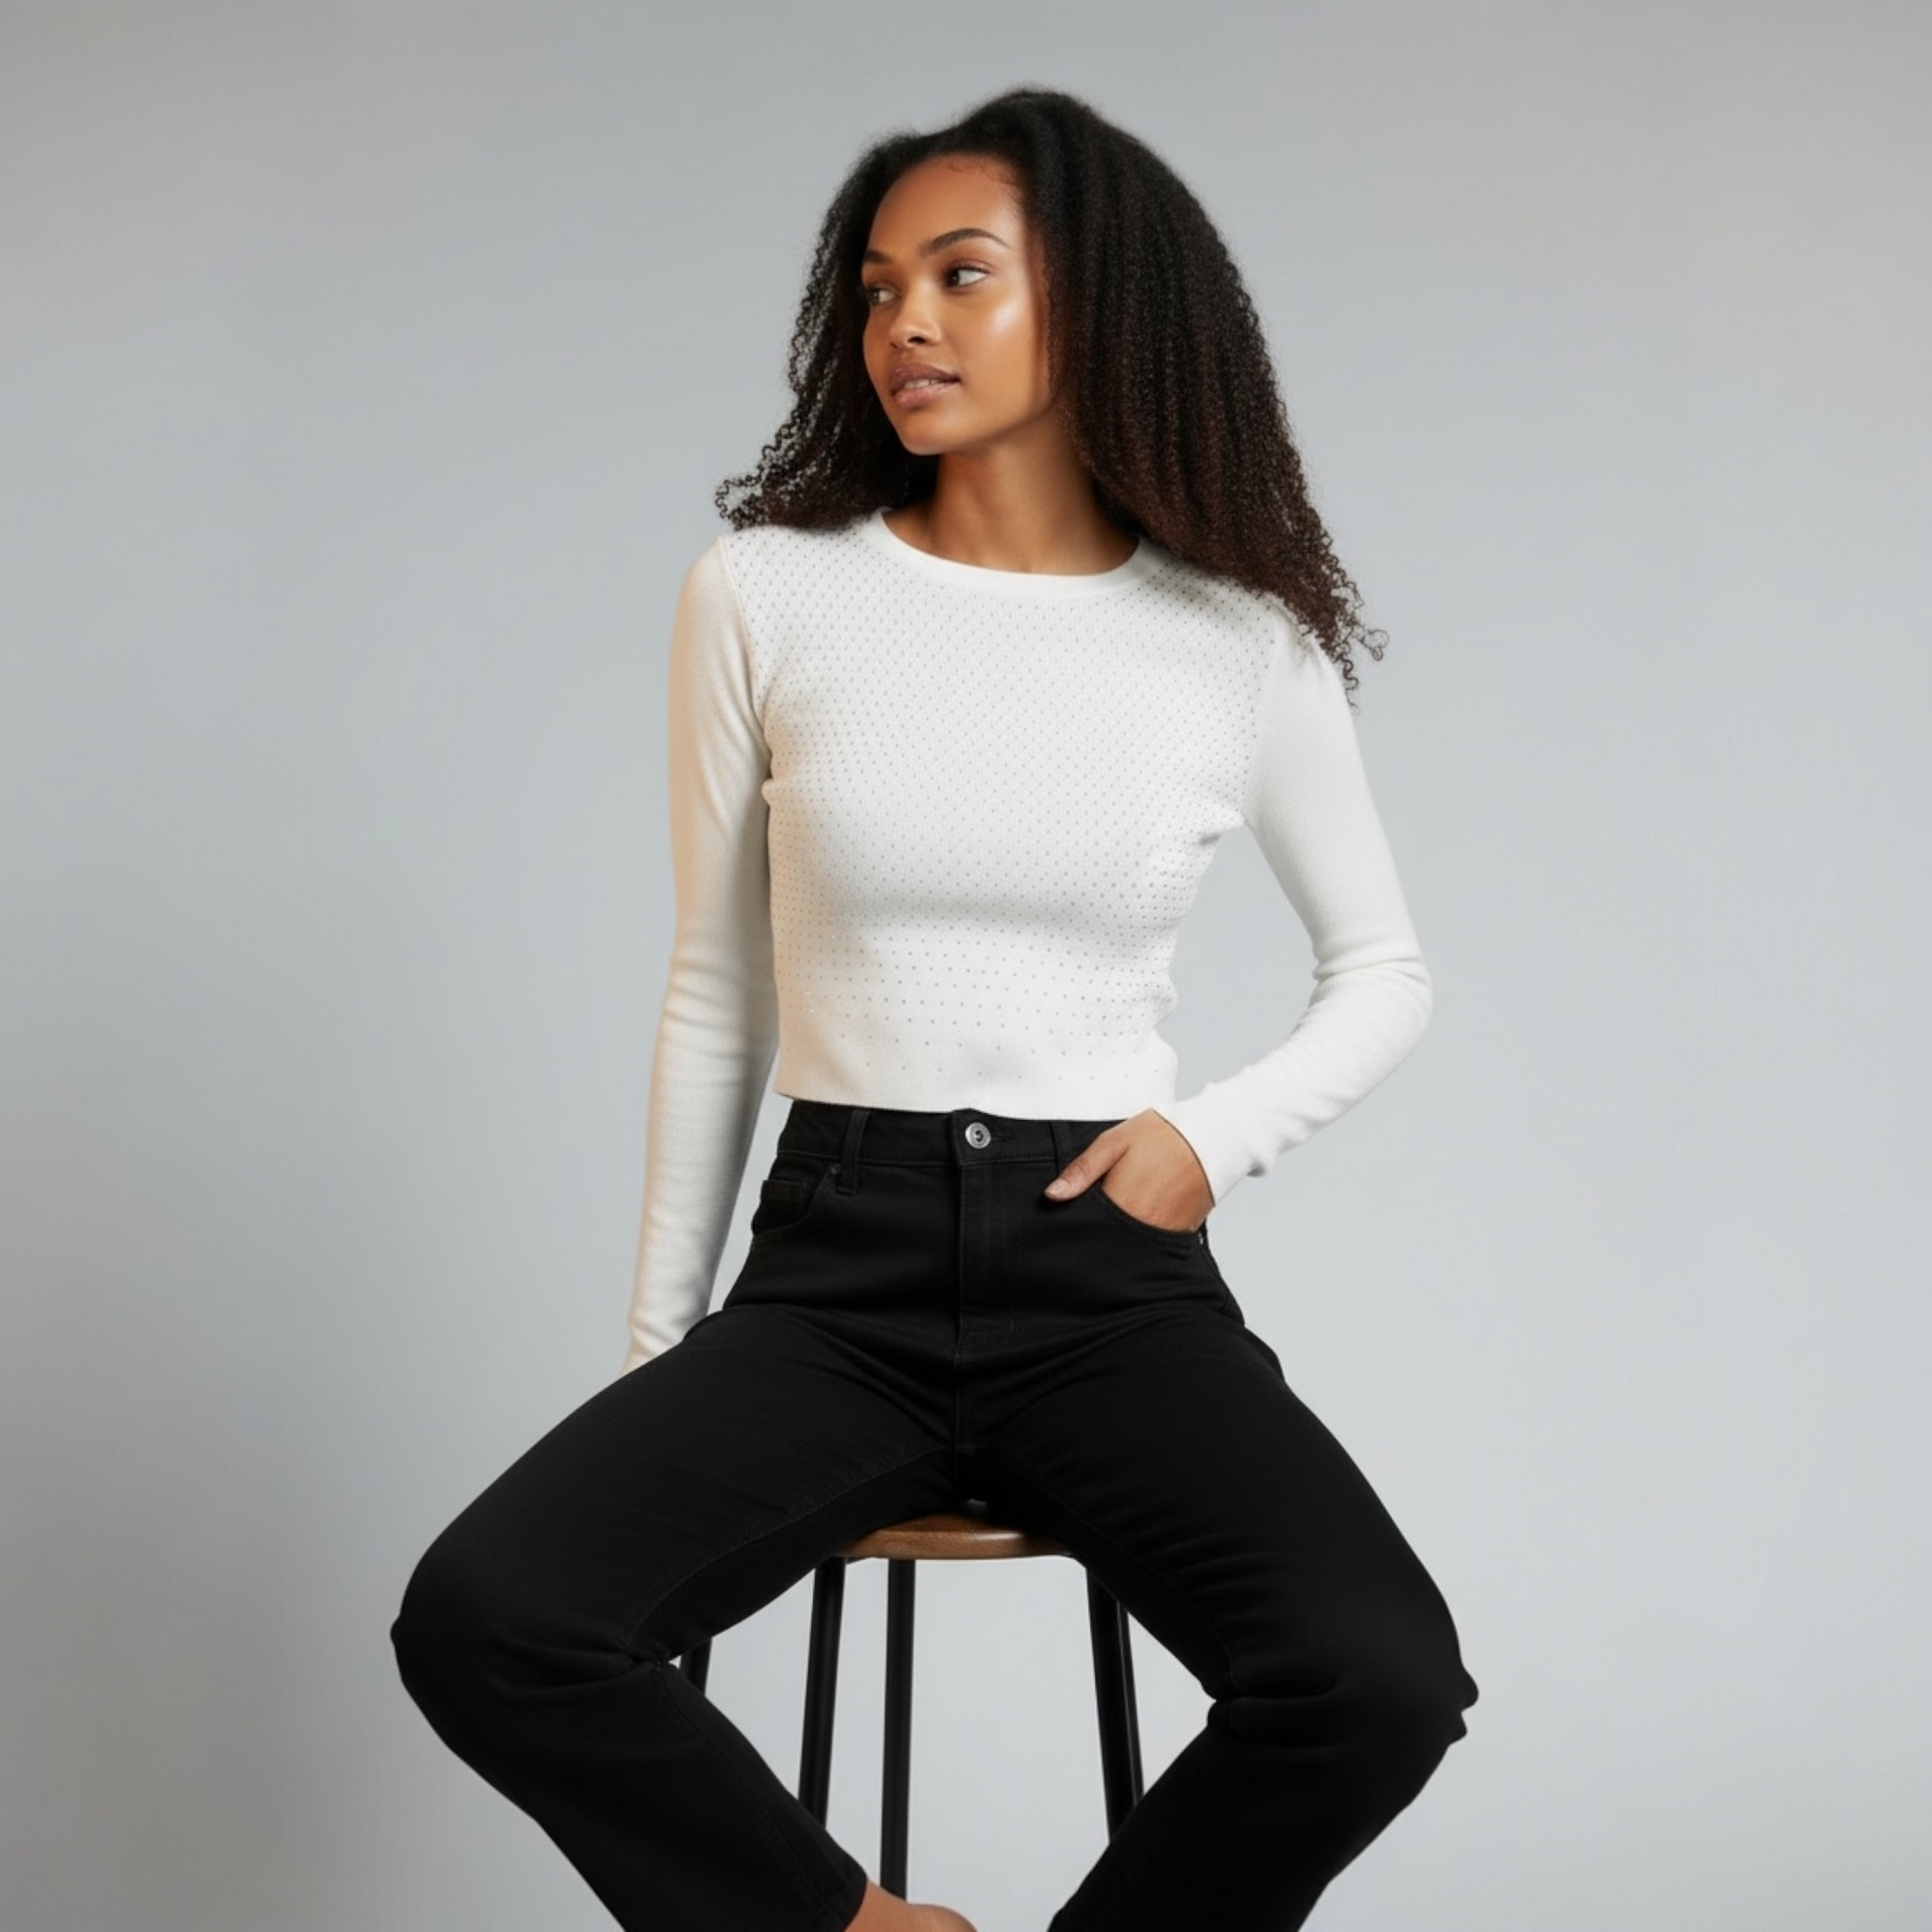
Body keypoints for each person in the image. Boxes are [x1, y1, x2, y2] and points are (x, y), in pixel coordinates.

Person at [390, 84, 1477, 1932]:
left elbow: (1383, 971)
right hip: (840, 1267)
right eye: (879, 286)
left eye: (961, 275)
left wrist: (1205, 1140)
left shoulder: (1238, 640)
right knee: (492, 1616)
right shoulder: (768, 594)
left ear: (1098, 301)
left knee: (1374, 1674)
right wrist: (662, 1348)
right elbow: (718, 984)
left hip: (1103, 1275)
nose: (904, 322)